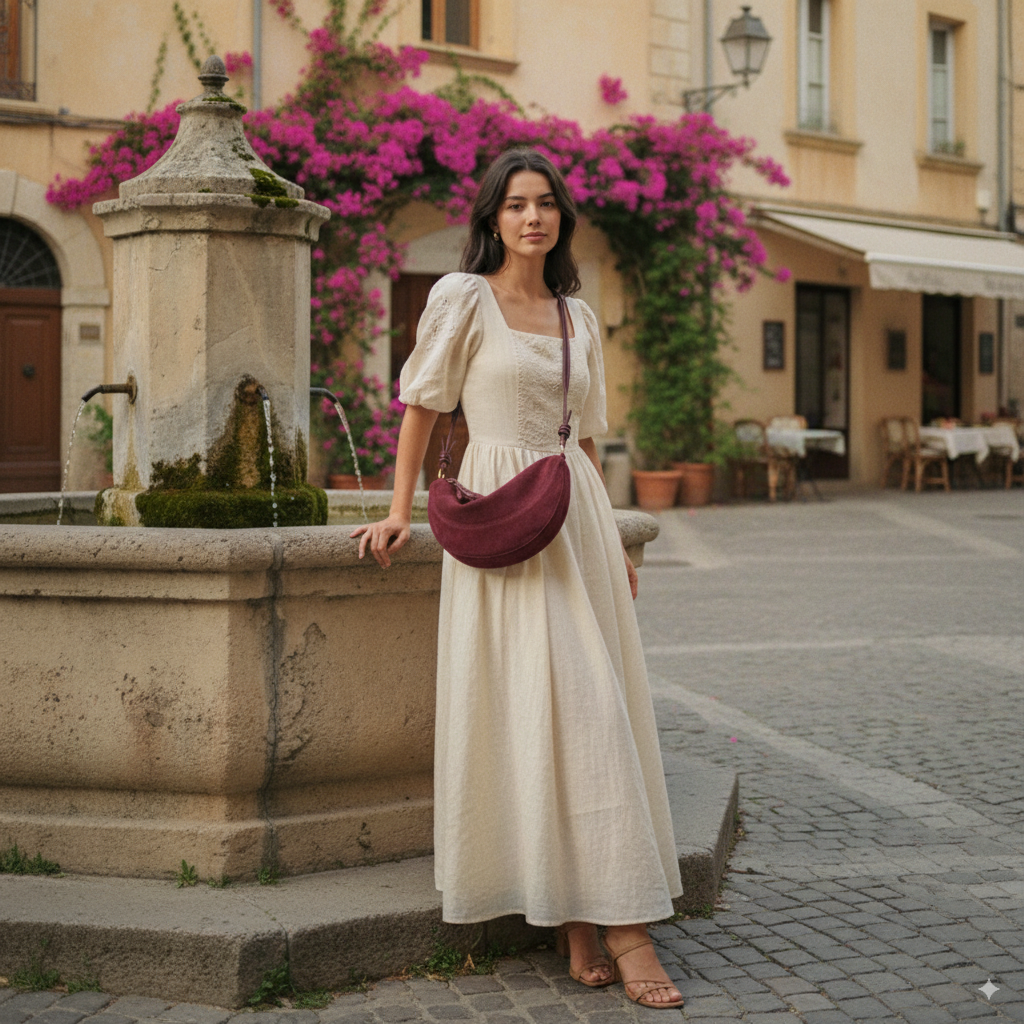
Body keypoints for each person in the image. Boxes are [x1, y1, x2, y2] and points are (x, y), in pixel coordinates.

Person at [351, 148, 684, 1009]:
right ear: (492, 219)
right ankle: (608, 924)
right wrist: (400, 511)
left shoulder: (578, 315)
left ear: (562, 219)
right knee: (546, 706)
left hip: (570, 512)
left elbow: (586, 440)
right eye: (514, 205)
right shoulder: (463, 297)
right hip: (501, 517)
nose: (531, 218)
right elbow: (423, 404)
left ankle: (601, 919)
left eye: (545, 205)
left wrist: (610, 542)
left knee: (589, 706)